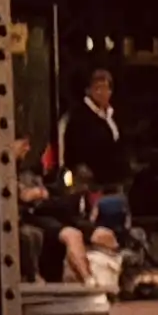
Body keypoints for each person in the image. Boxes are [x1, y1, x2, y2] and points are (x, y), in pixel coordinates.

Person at [52, 64, 133, 274]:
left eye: (106, 88)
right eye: (97, 88)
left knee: (118, 217)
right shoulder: (79, 117)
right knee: (93, 219)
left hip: (114, 178)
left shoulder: (113, 115)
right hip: (89, 181)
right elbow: (73, 149)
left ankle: (119, 262)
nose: (103, 93)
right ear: (89, 90)